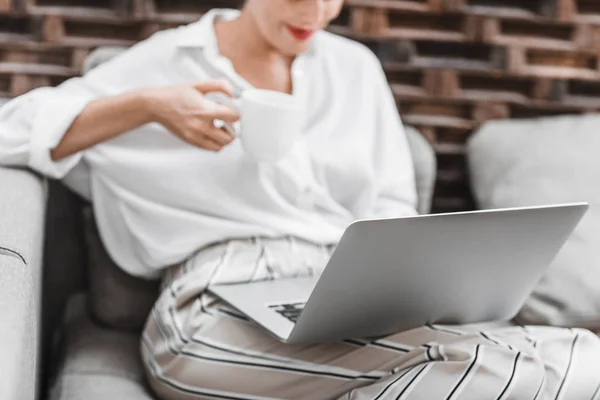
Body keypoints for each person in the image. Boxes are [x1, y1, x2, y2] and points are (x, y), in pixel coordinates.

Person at [1, 0, 600, 398]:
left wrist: (405, 280)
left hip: (342, 292)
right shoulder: (169, 62)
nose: (316, 12)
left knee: (583, 354)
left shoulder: (354, 69)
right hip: (209, 310)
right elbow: (12, 129)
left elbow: (390, 203)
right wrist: (150, 105)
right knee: (494, 367)